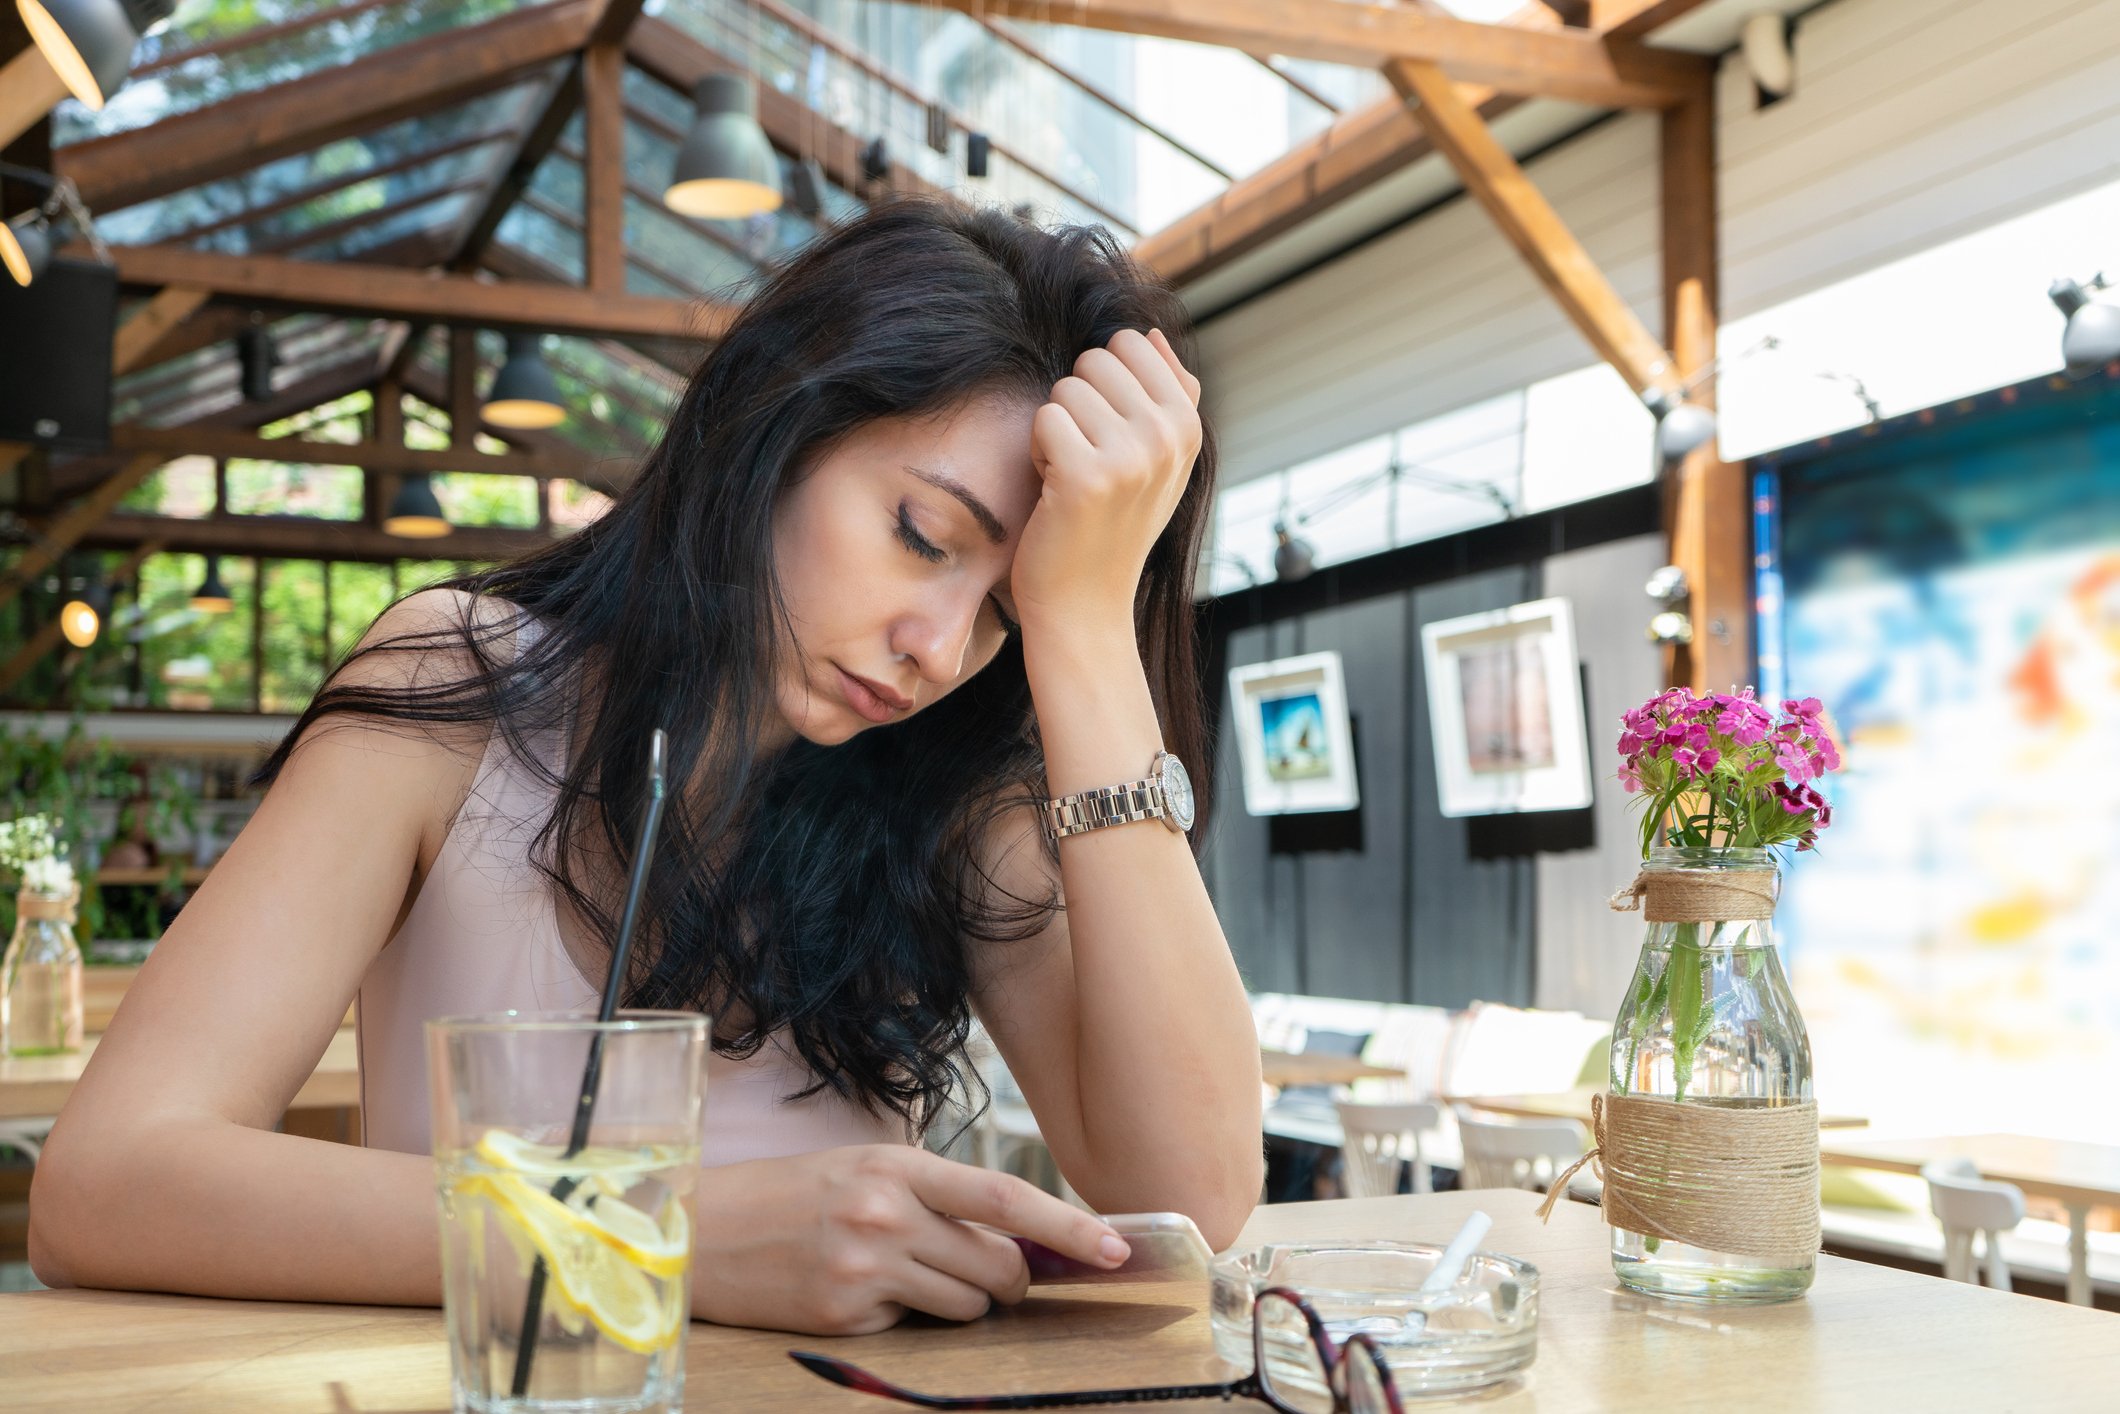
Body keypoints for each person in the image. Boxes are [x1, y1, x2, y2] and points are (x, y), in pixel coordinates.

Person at [29, 198, 1265, 1335]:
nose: (938, 647)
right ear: (775, 431)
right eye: (921, 534)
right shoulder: (458, 691)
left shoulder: (949, 801)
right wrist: (657, 1232)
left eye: (1006, 610)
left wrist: (1090, 632)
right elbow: (103, 1183)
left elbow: (1192, 1197)